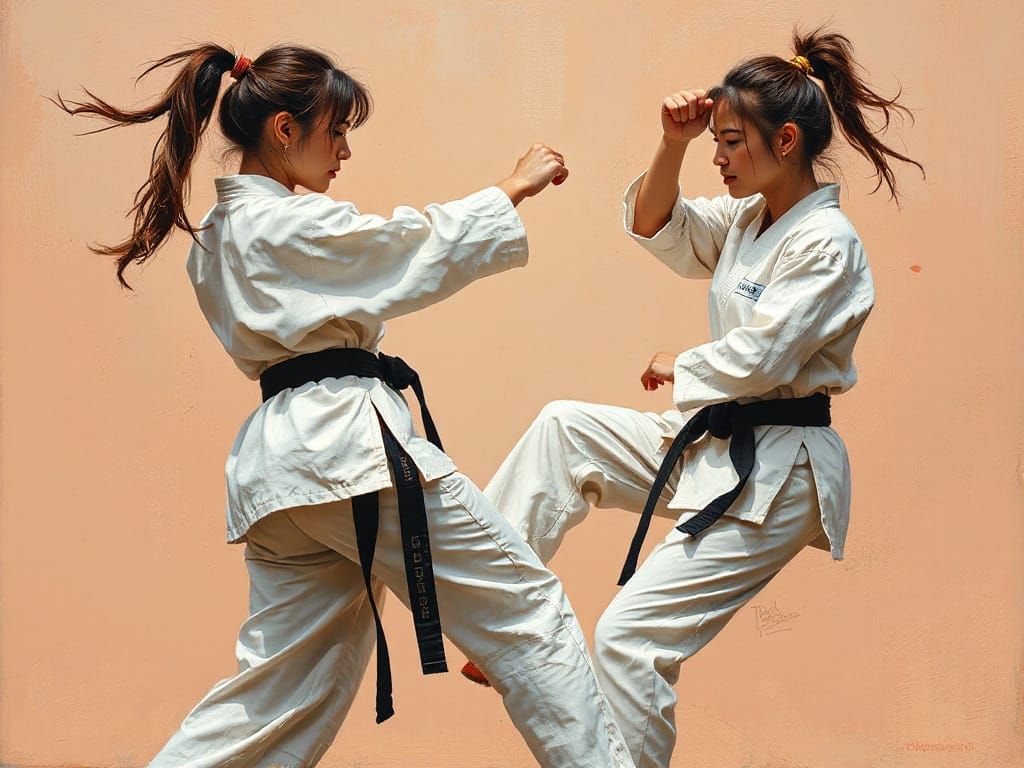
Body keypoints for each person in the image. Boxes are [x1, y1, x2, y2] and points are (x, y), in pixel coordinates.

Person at [54, 43, 634, 768]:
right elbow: (399, 246)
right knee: (525, 612)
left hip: (282, 476)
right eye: (335, 132)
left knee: (277, 698)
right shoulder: (284, 225)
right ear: (285, 129)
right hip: (345, 452)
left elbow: (373, 252)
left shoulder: (218, 240)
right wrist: (512, 187)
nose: (345, 151)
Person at [461, 26, 924, 768]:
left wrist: (683, 365)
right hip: (722, 436)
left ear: (786, 142)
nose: (719, 157)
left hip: (781, 470)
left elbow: (769, 352)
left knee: (629, 639)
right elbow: (656, 222)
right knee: (564, 429)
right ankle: (499, 620)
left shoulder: (827, 243)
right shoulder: (747, 219)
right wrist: (671, 144)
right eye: (714, 142)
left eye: (730, 142)